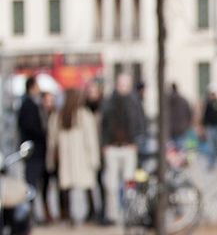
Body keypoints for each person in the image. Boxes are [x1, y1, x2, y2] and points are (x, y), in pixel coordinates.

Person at [46, 88, 100, 223]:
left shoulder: (59, 115)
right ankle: (90, 211)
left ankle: (67, 213)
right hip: (81, 157)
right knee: (86, 185)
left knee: (67, 187)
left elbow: (52, 140)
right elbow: (91, 139)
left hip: (67, 158)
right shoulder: (82, 115)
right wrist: (94, 158)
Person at [101, 73, 144, 223]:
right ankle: (112, 214)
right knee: (111, 184)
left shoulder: (133, 101)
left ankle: (129, 212)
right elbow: (103, 124)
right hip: (112, 147)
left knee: (129, 182)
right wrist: (104, 143)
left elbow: (139, 122)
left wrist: (136, 141)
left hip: (128, 147)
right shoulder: (109, 102)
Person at [17, 75, 52, 222]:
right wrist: (43, 135)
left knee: (40, 183)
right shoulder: (28, 105)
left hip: (38, 150)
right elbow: (29, 127)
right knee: (31, 184)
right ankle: (28, 214)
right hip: (33, 150)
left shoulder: (34, 104)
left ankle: (37, 213)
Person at [83, 79, 105, 221]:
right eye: (90, 91)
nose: (92, 94)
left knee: (101, 181)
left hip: (101, 148)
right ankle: (91, 209)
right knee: (88, 182)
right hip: (88, 150)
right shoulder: (84, 110)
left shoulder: (103, 108)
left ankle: (102, 210)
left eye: (94, 91)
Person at [201, 85, 217, 168]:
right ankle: (211, 164)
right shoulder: (208, 104)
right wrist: (204, 127)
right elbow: (205, 116)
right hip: (211, 127)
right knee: (211, 147)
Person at [167, 82, 193, 147]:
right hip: (182, 129)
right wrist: (187, 125)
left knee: (172, 150)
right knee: (180, 150)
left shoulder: (167, 101)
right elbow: (189, 114)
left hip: (171, 129)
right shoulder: (184, 100)